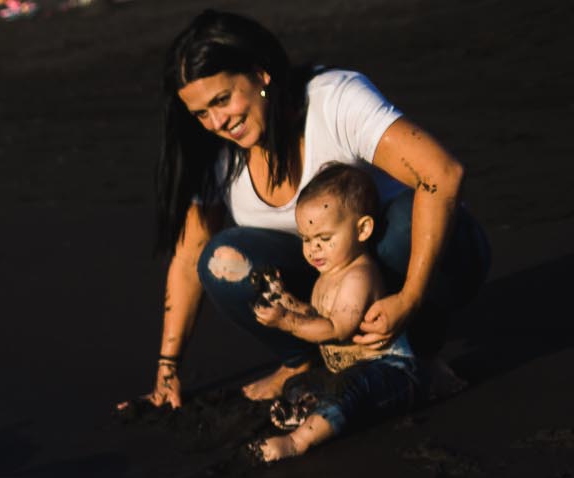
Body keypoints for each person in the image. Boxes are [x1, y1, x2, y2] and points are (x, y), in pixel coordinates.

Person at [135, 9, 488, 411]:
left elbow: (443, 174)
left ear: (260, 73)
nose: (217, 122)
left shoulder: (334, 99)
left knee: (404, 224)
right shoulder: (214, 152)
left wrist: (409, 298)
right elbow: (189, 257)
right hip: (328, 287)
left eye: (222, 99)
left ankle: (419, 352)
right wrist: (167, 370)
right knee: (222, 258)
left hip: (429, 261)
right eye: (200, 113)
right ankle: (302, 361)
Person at [247, 164, 418, 462]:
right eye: (306, 239)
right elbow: (316, 316)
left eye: (324, 239)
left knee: (347, 391)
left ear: (362, 229)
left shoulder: (358, 276)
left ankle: (297, 442)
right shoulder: (327, 275)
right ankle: (306, 413)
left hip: (390, 372)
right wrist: (285, 299)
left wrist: (287, 321)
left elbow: (338, 329)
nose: (314, 249)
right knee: (297, 386)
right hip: (344, 371)